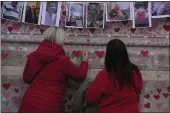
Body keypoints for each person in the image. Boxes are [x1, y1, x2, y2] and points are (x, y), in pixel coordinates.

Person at [18, 27, 89, 113]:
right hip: (50, 106)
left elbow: (27, 78)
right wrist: (84, 62)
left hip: (28, 104)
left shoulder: (34, 55)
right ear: (61, 40)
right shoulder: (63, 61)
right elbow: (80, 76)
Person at [85, 39, 143, 113]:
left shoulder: (104, 75)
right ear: (125, 54)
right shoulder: (134, 71)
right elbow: (139, 90)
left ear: (108, 55)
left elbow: (90, 98)